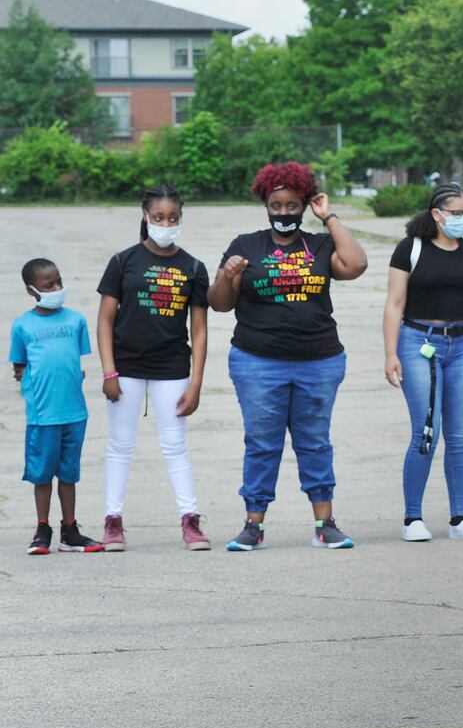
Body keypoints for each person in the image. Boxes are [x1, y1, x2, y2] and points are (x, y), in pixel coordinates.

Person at [209, 162, 369, 551]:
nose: (284, 213)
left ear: (303, 205)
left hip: (319, 359)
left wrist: (328, 215)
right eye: (276, 205)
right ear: (266, 204)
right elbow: (218, 304)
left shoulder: (319, 244)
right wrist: (228, 275)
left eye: (292, 205)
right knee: (262, 443)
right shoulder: (245, 245)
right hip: (258, 360)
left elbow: (356, 265)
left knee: (314, 441)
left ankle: (325, 523)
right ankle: (253, 525)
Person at [383, 183, 463, 543]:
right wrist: (390, 353)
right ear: (437, 215)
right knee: (426, 430)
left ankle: (459, 518)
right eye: (457, 213)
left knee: (460, 435)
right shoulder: (411, 249)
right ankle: (413, 518)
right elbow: (394, 304)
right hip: (419, 342)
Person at [95, 184, 210, 551]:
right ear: (146, 217)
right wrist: (109, 372)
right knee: (120, 445)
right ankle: (113, 521)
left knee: (175, 446)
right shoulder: (123, 261)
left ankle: (190, 521)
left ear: (181, 218)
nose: (166, 223)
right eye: (158, 217)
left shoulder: (193, 267)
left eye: (173, 217)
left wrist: (196, 383)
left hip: (172, 367)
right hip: (126, 366)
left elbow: (200, 329)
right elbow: (104, 321)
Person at [10, 258, 103, 554]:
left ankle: (70, 530)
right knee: (42, 474)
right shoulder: (22, 325)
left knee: (69, 473)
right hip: (43, 415)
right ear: (32, 290)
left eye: (59, 281)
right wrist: (31, 389)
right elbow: (20, 366)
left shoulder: (76, 320)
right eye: (49, 285)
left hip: (74, 412)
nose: (57, 288)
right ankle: (42, 529)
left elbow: (75, 361)